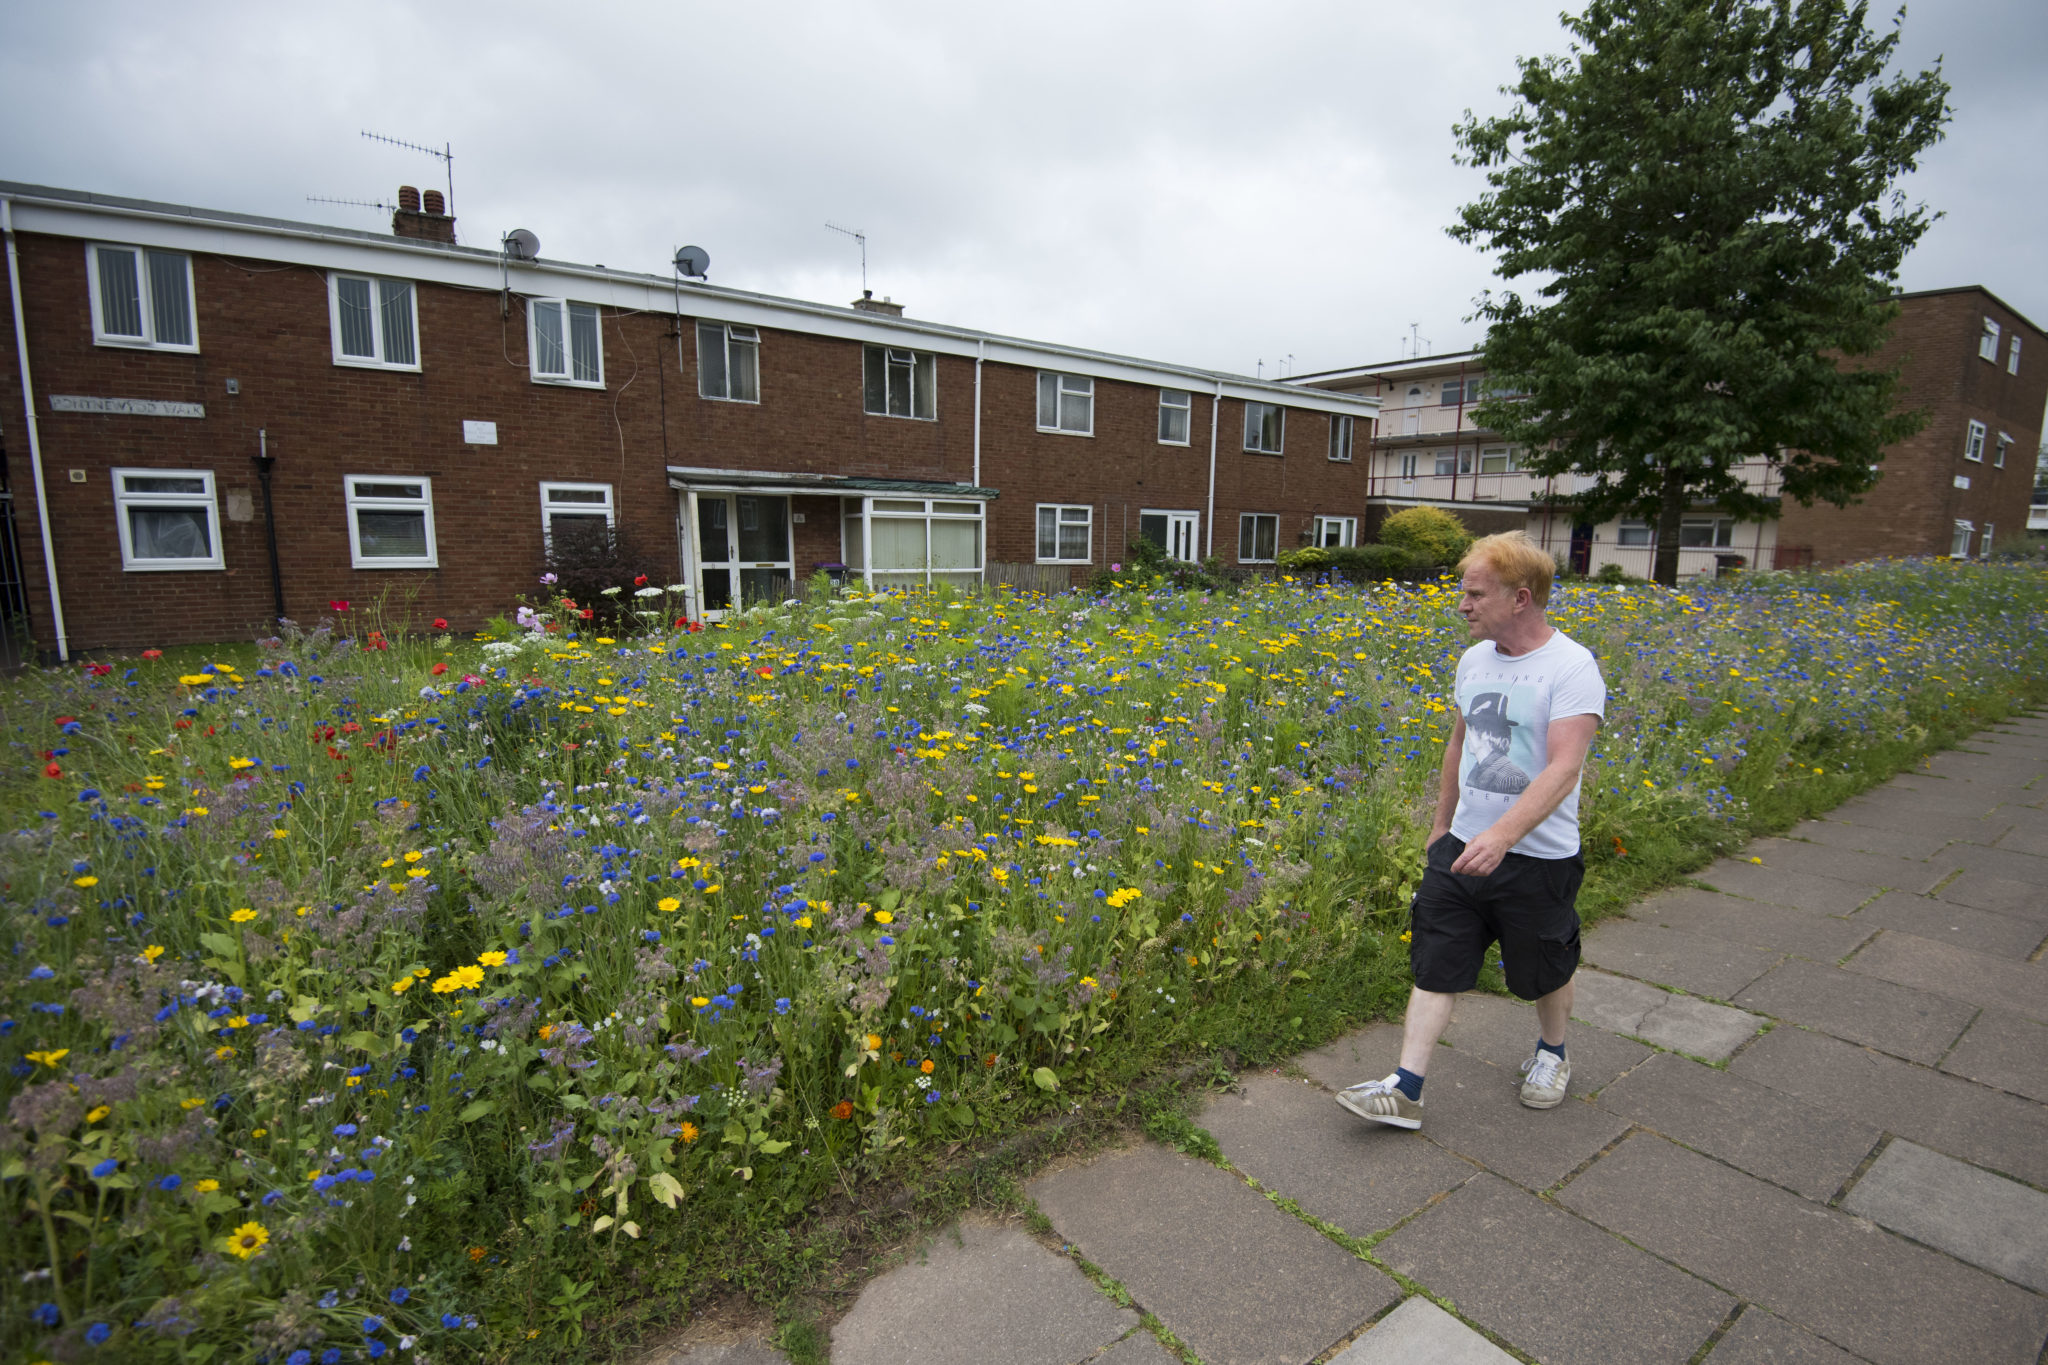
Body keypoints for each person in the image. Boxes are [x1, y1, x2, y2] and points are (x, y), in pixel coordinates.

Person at [1338, 530, 1606, 1128]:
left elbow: (1565, 767)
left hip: (1538, 859)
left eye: (1475, 594)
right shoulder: (1473, 659)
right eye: (1464, 592)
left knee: (1544, 970)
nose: (1462, 605)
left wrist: (1503, 835)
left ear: (1521, 597)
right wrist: (1442, 827)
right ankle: (1406, 1087)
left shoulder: (1571, 667)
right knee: (1437, 959)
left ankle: (1552, 1053)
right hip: (1460, 850)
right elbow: (1460, 742)